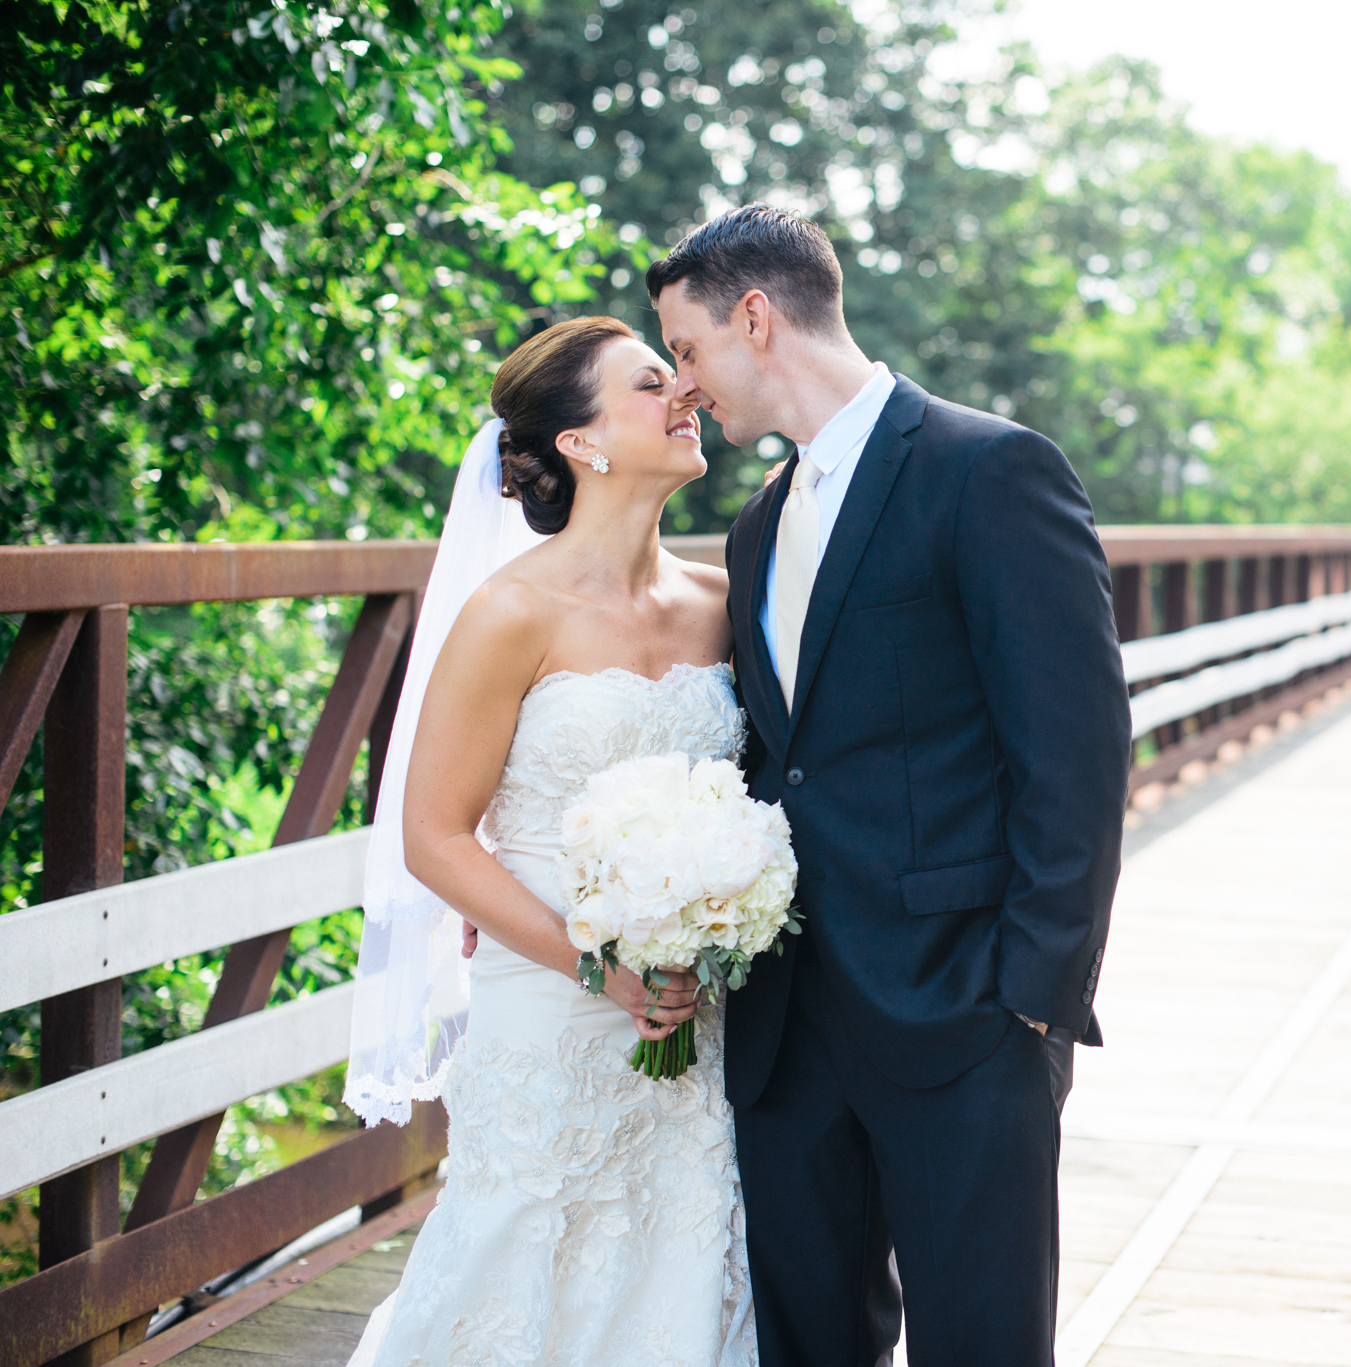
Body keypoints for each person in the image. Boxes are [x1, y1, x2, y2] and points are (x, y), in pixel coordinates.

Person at [647, 204, 1131, 1367]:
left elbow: (1077, 749)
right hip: (785, 1027)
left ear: (753, 317)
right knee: (808, 1346)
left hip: (962, 1011)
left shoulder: (988, 469)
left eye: (687, 347)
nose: (683, 381)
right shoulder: (757, 528)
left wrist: (1031, 995)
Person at [341, 315, 756, 1365]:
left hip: (694, 1011)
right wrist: (595, 962)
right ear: (581, 441)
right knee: (522, 1259)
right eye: (652, 381)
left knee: (685, 1252)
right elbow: (433, 836)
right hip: (549, 1009)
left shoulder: (722, 602)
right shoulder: (508, 613)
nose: (687, 395)